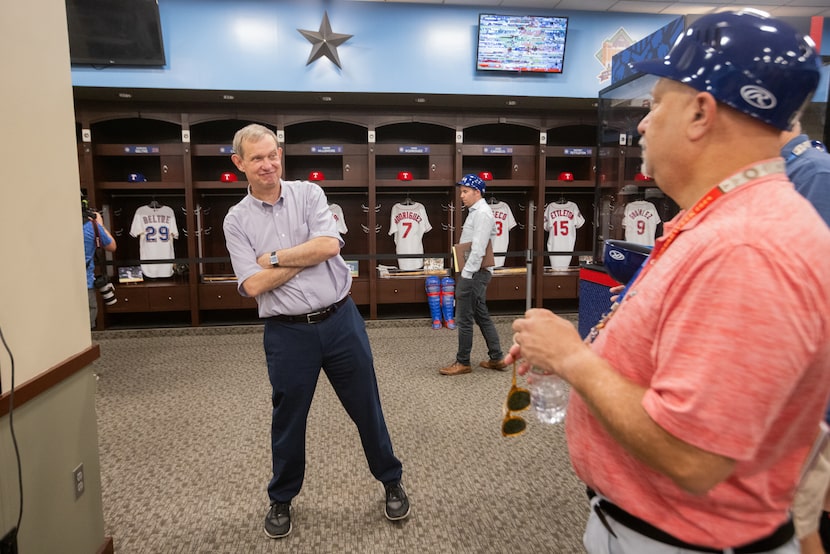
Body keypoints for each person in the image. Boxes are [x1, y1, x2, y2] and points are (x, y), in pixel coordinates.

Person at [506, 10, 830, 553]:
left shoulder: (745, 247)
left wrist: (572, 359)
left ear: (701, 112)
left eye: (657, 103)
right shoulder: (723, 220)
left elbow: (694, 457)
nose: (641, 123)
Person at [222, 124, 410, 540]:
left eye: (273, 154)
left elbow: (328, 247)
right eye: (257, 158)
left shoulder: (308, 194)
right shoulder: (235, 220)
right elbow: (251, 286)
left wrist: (271, 258)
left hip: (341, 321)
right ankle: (282, 498)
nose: (268, 164)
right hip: (287, 334)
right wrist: (301, 257)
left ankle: (391, 480)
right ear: (239, 164)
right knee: (288, 420)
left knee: (367, 407)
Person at [780, 121, 830, 554]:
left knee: (802, 520)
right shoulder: (772, 177)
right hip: (775, 395)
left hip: (805, 398)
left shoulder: (814, 174)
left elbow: (811, 297)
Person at [439, 174, 505, 376]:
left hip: (474, 273)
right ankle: (497, 357)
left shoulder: (482, 213)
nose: (462, 196)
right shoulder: (476, 212)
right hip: (475, 272)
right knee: (481, 314)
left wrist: (466, 274)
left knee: (464, 317)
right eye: (461, 192)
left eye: (465, 192)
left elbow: (478, 248)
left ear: (478, 192)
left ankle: (463, 362)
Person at [83, 199, 116, 329]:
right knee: (87, 319)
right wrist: (99, 224)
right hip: (85, 282)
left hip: (58, 282)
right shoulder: (92, 226)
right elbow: (111, 246)